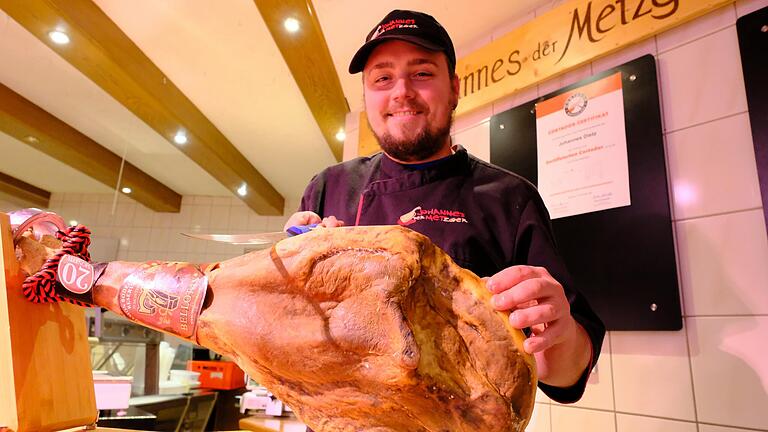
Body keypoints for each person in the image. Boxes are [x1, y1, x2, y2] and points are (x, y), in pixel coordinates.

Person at [285, 9, 605, 403]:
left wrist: (559, 332)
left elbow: (564, 376)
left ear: (453, 88)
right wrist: (289, 272)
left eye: (421, 73)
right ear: (367, 95)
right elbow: (295, 339)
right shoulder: (327, 187)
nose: (401, 91)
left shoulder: (509, 198)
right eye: (383, 78)